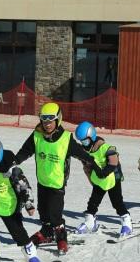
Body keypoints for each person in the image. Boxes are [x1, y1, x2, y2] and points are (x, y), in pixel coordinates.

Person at [14, 102, 98, 254]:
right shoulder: (37, 136)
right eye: (44, 121)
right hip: (42, 181)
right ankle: (46, 232)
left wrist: (95, 165)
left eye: (50, 121)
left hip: (57, 183)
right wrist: (14, 162)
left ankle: (61, 237)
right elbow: (24, 151)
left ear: (58, 120)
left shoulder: (65, 139)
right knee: (43, 210)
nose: (47, 125)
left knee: (55, 213)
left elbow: (82, 154)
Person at [73, 121, 133, 237]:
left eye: (85, 141)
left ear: (92, 137)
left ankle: (127, 222)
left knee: (117, 202)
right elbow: (84, 163)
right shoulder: (86, 150)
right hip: (99, 181)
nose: (84, 144)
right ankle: (90, 222)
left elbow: (113, 162)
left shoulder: (106, 148)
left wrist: (104, 172)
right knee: (93, 202)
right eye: (82, 142)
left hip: (112, 179)